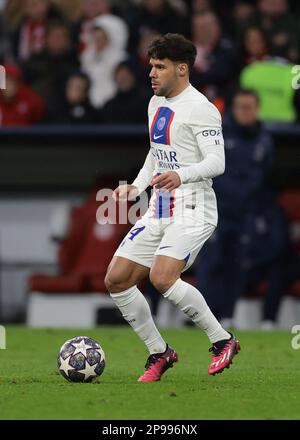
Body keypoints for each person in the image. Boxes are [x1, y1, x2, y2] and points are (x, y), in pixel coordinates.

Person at [104, 33, 240, 383]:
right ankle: (159, 352)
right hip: (160, 206)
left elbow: (218, 161)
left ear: (182, 69)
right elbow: (157, 152)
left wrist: (181, 175)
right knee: (116, 279)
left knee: (162, 277)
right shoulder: (155, 102)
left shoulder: (202, 108)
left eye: (160, 67)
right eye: (151, 66)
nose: (152, 73)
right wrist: (137, 186)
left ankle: (222, 339)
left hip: (194, 207)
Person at [196, 89, 291, 328]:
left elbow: (264, 173)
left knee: (236, 265)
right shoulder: (218, 135)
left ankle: (227, 316)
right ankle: (207, 318)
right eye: (240, 107)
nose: (245, 112)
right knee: (211, 264)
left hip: (245, 213)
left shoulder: (264, 140)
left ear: (257, 109)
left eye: (250, 107)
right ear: (233, 109)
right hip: (216, 212)